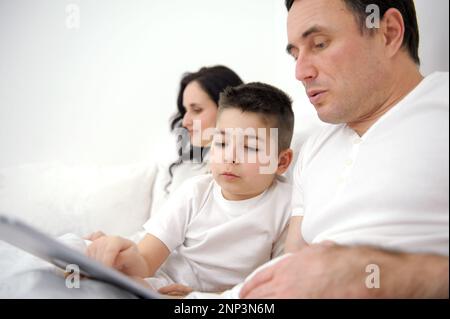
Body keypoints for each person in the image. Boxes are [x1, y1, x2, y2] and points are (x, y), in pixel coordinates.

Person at [240, 0, 449, 298]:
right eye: (295, 54)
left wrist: (378, 276)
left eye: (320, 44)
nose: (300, 72)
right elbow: (292, 263)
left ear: (387, 32)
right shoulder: (313, 149)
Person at [86, 82, 296, 293]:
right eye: (221, 143)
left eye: (250, 148)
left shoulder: (286, 205)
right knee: (95, 263)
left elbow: (274, 284)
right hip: (163, 282)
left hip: (217, 299)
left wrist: (202, 298)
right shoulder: (195, 192)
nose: (230, 158)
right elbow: (146, 261)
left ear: (281, 162)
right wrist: (127, 258)